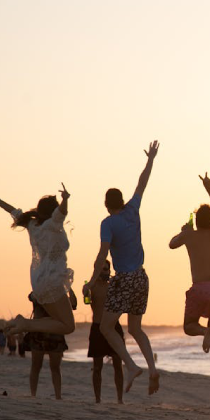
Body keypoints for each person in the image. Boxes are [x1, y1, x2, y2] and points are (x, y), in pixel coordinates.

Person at [83, 140, 160, 395]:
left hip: (124, 279)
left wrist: (92, 282)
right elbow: (142, 183)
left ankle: (130, 364)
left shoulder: (108, 223)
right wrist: (150, 159)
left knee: (105, 327)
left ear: (106, 205)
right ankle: (152, 369)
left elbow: (101, 255)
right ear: (122, 201)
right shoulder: (132, 210)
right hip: (142, 278)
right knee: (136, 328)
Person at [0, 182, 76, 337]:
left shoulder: (32, 225)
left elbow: (13, 211)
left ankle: (25, 324)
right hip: (52, 280)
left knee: (60, 322)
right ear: (52, 211)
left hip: (39, 282)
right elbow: (62, 213)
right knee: (68, 326)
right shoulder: (53, 225)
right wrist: (66, 199)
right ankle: (25, 324)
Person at [168, 172, 210, 353]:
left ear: (197, 221)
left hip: (200, 287)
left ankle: (204, 330)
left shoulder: (190, 235)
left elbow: (171, 244)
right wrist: (209, 187)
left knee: (189, 326)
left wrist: (185, 231)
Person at [25, 290, 76, 400]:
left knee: (54, 367)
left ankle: (58, 396)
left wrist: (69, 289)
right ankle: (33, 394)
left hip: (53, 331)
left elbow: (73, 304)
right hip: (42, 330)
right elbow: (32, 297)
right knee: (37, 365)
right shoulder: (40, 290)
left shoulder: (59, 292)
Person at [86, 260, 124, 403]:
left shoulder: (114, 286)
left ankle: (120, 399)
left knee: (118, 364)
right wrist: (86, 289)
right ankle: (97, 399)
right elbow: (87, 301)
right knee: (97, 367)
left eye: (106, 269)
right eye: (101, 269)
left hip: (114, 326)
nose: (104, 272)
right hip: (97, 327)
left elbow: (122, 302)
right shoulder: (92, 287)